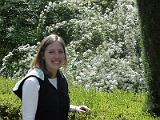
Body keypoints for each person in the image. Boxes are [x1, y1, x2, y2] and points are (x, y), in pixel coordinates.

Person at [13, 34, 90, 120]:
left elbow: (52, 105)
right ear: (42, 55)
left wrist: (74, 108)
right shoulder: (33, 82)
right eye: (51, 52)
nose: (57, 56)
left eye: (60, 51)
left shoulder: (61, 79)